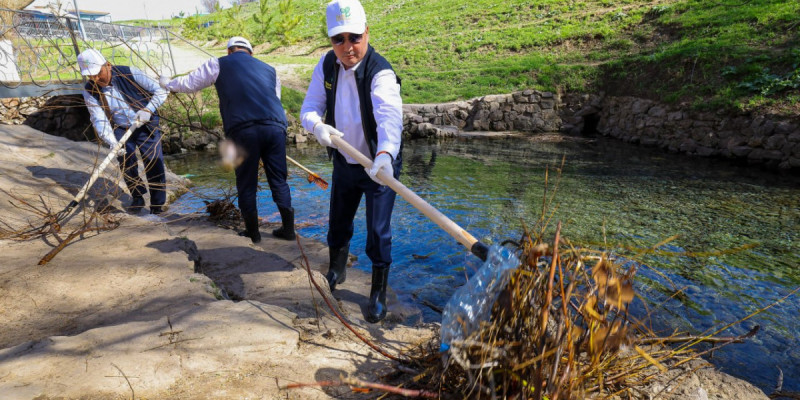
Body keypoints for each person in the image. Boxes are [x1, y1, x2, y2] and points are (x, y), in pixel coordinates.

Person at [300, 0, 403, 323]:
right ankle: (336, 270)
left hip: (378, 166)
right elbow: (309, 108)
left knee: (378, 231)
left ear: (367, 33)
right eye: (338, 39)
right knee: (338, 221)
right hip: (345, 161)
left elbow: (389, 119)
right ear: (331, 40)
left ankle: (378, 291)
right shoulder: (326, 65)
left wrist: (385, 155)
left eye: (354, 37)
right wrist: (317, 126)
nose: (347, 47)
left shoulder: (380, 72)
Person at [160, 37, 294, 244]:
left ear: (229, 51)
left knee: (246, 182)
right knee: (278, 179)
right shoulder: (270, 70)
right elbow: (275, 98)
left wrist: (168, 84)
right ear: (251, 53)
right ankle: (289, 230)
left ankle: (253, 234)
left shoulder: (218, 63)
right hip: (275, 128)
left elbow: (190, 83)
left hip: (243, 130)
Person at [78, 48, 168, 215]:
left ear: (108, 65)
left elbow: (161, 90)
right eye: (91, 76)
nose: (96, 79)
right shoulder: (90, 90)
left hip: (146, 123)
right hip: (120, 127)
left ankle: (157, 205)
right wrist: (112, 142)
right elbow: (99, 119)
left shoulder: (129, 73)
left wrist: (148, 110)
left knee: (153, 161)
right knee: (127, 163)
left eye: (98, 73)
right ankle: (138, 196)